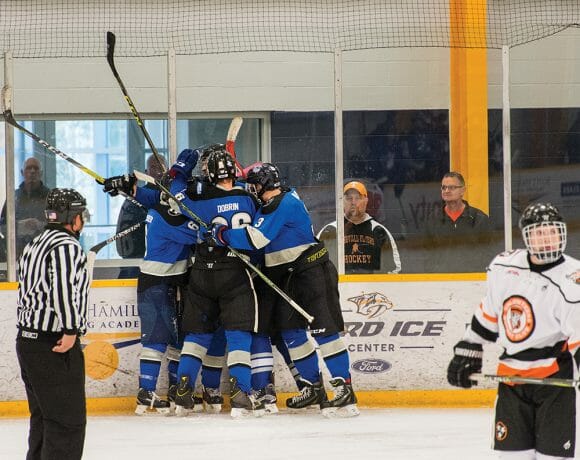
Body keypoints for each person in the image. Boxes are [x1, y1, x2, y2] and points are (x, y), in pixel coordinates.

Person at [208, 163, 360, 417]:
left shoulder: (283, 204)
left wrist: (223, 234)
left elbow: (256, 239)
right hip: (289, 276)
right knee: (291, 332)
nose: (251, 189)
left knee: (325, 331)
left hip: (311, 272)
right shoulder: (275, 201)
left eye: (254, 185)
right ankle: (313, 387)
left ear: (264, 184)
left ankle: (345, 390)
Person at [447, 202, 580, 459]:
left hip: (554, 384)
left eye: (552, 232)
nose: (547, 239)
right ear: (527, 237)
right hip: (511, 382)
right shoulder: (504, 267)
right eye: (539, 233)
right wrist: (469, 347)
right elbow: (489, 312)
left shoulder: (572, 278)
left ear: (562, 234)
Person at [168, 146, 265, 418]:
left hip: (202, 273)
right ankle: (240, 394)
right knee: (238, 334)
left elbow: (175, 196)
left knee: (197, 335)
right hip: (235, 271)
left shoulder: (201, 201)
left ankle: (183, 392)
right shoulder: (248, 198)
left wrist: (180, 172)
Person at [16, 188, 91, 460]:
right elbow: (63, 291)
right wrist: (70, 330)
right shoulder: (66, 246)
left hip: (28, 342)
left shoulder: (35, 243)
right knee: (66, 424)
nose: (83, 220)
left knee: (44, 420)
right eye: (81, 214)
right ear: (72, 217)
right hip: (54, 343)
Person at [317, 180, 401, 274]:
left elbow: (392, 268)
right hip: (340, 281)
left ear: (366, 201)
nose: (353, 202)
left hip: (370, 282)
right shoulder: (330, 229)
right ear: (342, 201)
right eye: (349, 198)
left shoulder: (378, 229)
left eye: (357, 198)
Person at [423, 171, 492, 272]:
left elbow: (488, 256)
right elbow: (427, 257)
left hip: (472, 279)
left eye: (451, 187)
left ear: (463, 190)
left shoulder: (479, 218)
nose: (446, 191)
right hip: (441, 279)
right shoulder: (432, 219)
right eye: (443, 187)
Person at [115, 154, 167, 278]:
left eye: (162, 167)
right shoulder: (135, 200)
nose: (158, 171)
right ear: (146, 172)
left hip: (167, 266)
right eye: (154, 167)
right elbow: (125, 236)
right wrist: (133, 265)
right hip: (139, 267)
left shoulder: (174, 197)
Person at [0, 157, 50, 260]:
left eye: (36, 168)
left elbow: (58, 227)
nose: (32, 171)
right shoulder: (13, 197)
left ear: (41, 173)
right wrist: (20, 226)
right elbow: (2, 227)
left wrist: (39, 225)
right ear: (22, 172)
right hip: (17, 255)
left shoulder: (50, 197)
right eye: (29, 168)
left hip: (44, 253)